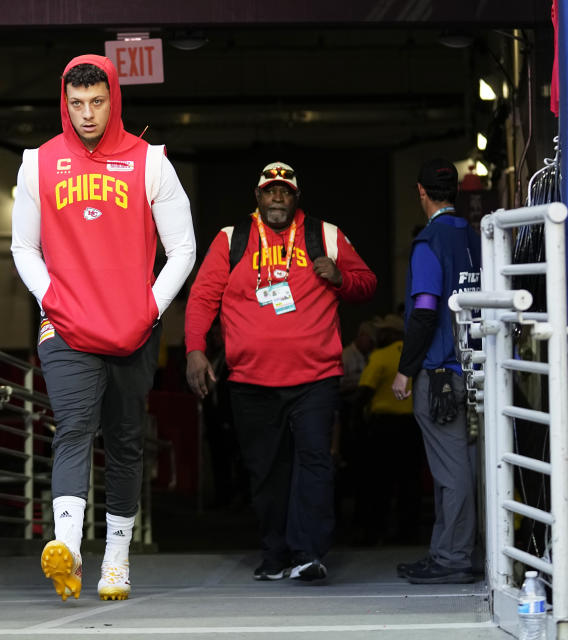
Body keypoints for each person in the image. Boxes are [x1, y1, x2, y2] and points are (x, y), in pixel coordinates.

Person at [10, 54, 196, 602]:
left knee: (123, 439)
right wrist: (53, 299)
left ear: (114, 100)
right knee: (72, 427)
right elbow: (24, 246)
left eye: (96, 102)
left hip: (133, 327)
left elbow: (182, 248)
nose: (87, 114)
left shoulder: (151, 163)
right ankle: (66, 549)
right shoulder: (37, 164)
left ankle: (115, 559)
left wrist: (150, 306)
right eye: (76, 104)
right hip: (66, 325)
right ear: (63, 104)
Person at [185, 162, 376, 582]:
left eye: (285, 192)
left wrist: (341, 277)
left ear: (296, 199)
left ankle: (308, 553)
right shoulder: (230, 239)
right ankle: (276, 554)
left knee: (314, 462)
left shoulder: (324, 235)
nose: (277, 198)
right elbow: (201, 299)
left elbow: (367, 282)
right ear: (257, 197)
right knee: (266, 469)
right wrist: (196, 351)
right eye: (270, 191)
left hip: (315, 378)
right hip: (251, 381)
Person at [392, 157, 481, 584]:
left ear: (421, 193)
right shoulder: (477, 238)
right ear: (456, 192)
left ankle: (453, 557)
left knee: (451, 471)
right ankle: (446, 550)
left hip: (442, 373)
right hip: (479, 367)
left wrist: (405, 371)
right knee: (465, 462)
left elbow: (425, 312)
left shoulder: (429, 242)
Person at [351, 313, 422, 545]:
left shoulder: (380, 356)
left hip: (384, 427)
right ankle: (408, 532)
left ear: (391, 334)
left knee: (379, 482)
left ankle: (375, 531)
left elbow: (364, 393)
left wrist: (355, 422)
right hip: (413, 426)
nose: (377, 336)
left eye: (382, 332)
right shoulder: (416, 355)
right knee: (410, 481)